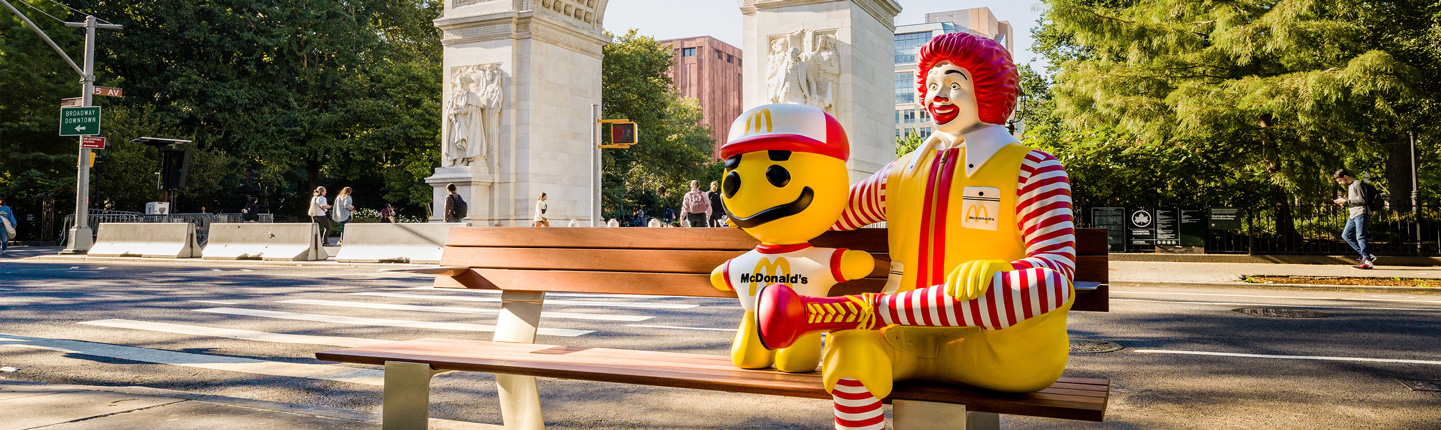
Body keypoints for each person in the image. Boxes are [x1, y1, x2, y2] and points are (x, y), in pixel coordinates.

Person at [751, 33, 1075, 429]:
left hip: (994, 349)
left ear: (988, 90)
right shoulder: (899, 173)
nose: (939, 95)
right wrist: (764, 183)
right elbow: (828, 214)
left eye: (955, 84)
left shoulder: (1035, 170)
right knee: (847, 348)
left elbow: (1054, 274)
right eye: (934, 85)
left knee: (1028, 293)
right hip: (899, 337)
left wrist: (1003, 277)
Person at [1333, 169, 1377, 269]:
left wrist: (1345, 201)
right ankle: (1367, 255)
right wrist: (1343, 203)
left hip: (1361, 213)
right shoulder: (1350, 186)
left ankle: (1367, 261)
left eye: (1340, 180)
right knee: (1346, 235)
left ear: (1345, 176)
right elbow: (1354, 201)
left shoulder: (1358, 184)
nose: (1340, 183)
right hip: (1353, 214)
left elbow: (1363, 200)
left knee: (1360, 236)